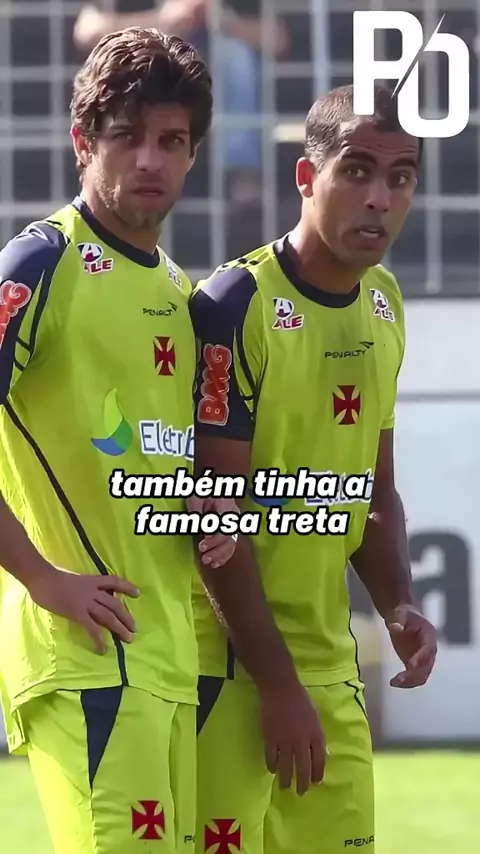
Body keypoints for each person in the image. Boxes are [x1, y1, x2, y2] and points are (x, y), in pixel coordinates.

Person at [0, 27, 236, 854]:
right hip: (85, 656)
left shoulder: (180, 292)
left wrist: (208, 509)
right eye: (127, 136)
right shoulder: (39, 263)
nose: (148, 160)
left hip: (169, 661)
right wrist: (42, 578)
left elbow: (163, 460)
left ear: (193, 155)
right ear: (82, 142)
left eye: (171, 141)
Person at [189, 84, 438, 854]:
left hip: (329, 677)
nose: (379, 198)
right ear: (307, 177)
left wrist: (397, 603)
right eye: (356, 171)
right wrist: (277, 685)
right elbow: (211, 516)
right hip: (225, 676)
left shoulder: (385, 302)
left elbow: (373, 490)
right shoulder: (234, 303)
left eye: (400, 177)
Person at [73, 1, 288, 205]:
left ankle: (242, 174)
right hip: (150, 72)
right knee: (151, 60)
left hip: (218, 80)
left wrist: (227, 24)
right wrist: (160, 21)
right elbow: (87, 31)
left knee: (237, 58)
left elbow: (278, 38)